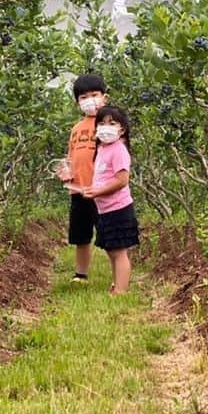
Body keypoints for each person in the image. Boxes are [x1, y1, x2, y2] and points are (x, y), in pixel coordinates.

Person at [82, 105, 138, 295]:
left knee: (119, 251)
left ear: (121, 129)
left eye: (112, 123)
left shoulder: (119, 150)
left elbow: (122, 180)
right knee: (111, 249)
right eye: (102, 123)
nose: (106, 127)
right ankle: (116, 285)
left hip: (118, 208)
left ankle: (121, 291)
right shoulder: (102, 149)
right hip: (105, 209)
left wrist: (98, 192)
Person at [58, 73, 108, 283]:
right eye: (83, 97)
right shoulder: (76, 129)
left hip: (102, 190)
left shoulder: (109, 123)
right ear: (77, 101)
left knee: (110, 235)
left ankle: (120, 275)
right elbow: (71, 157)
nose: (90, 100)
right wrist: (65, 171)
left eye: (94, 95)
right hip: (79, 190)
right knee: (81, 236)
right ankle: (81, 274)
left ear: (104, 96)